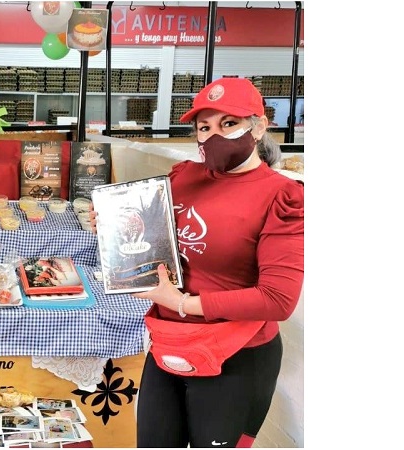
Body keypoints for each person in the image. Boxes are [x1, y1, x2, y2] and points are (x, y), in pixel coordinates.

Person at [92, 77, 304, 448]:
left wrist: (182, 303)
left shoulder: (282, 196)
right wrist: (114, 226)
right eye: (204, 127)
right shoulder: (183, 177)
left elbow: (278, 299)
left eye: (228, 124)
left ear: (258, 125)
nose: (214, 135)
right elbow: (154, 240)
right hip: (169, 343)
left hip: (236, 356)